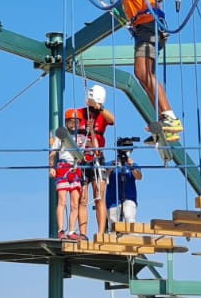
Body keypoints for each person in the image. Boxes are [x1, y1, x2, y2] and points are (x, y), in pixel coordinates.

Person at [68, 0, 184, 141]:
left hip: (148, 24)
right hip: (146, 26)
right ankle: (163, 121)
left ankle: (170, 117)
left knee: (143, 73)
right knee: (144, 76)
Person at [74, 85, 115, 238]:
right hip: (82, 159)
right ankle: (83, 233)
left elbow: (112, 119)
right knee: (83, 199)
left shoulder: (102, 115)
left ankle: (100, 232)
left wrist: (100, 108)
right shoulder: (80, 113)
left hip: (98, 158)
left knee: (99, 196)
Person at [49, 109, 87, 240]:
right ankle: (60, 230)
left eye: (76, 122)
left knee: (75, 203)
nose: (73, 124)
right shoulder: (62, 136)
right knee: (62, 200)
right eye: (71, 122)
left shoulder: (82, 137)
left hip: (76, 168)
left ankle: (71, 231)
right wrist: (51, 167)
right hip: (63, 167)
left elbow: (87, 153)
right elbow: (53, 153)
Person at [105, 138, 142, 226]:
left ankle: (132, 237)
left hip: (129, 198)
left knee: (129, 216)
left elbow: (139, 177)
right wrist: (111, 169)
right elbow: (103, 177)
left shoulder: (133, 165)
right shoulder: (110, 164)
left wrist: (132, 167)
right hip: (112, 200)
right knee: (113, 223)